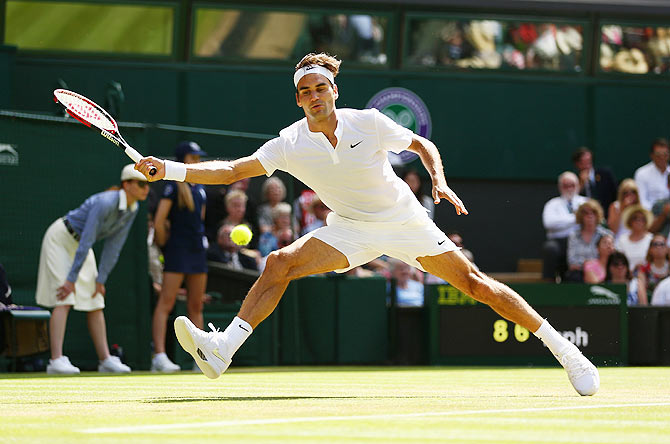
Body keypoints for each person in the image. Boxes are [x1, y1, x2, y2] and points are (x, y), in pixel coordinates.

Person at [136, 52, 599, 396]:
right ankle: (222, 351)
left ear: (334, 90)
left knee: (475, 284)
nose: (313, 96)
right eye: (305, 91)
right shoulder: (290, 143)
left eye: (320, 88)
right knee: (279, 262)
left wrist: (437, 180)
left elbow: (421, 145)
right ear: (298, 99)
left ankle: (566, 352)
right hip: (351, 228)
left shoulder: (369, 122)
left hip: (403, 220)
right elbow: (232, 172)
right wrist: (171, 170)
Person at [35, 164, 148, 374]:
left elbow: (114, 246)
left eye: (148, 184)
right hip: (60, 238)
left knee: (96, 299)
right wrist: (71, 279)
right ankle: (56, 360)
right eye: (141, 184)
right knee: (64, 296)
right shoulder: (105, 202)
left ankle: (105, 360)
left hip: (80, 246)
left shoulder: (133, 209)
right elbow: (88, 238)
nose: (146, 189)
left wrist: (101, 279)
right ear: (127, 184)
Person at [150, 141, 208, 373]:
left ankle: (200, 358)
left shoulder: (201, 188)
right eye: (193, 158)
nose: (198, 162)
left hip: (197, 251)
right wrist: (166, 244)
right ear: (184, 160)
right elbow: (159, 221)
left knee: (196, 305)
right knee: (166, 302)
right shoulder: (172, 187)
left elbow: (200, 220)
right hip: (177, 250)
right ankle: (159, 356)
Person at [542, 172, 588, 281]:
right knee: (550, 248)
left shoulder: (585, 202)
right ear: (560, 187)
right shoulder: (552, 204)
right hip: (559, 241)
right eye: (565, 185)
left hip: (581, 241)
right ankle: (549, 283)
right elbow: (549, 223)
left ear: (578, 186)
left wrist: (562, 222)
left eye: (572, 185)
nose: (569, 188)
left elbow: (589, 222)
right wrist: (576, 218)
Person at [565, 200, 613, 282]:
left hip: (601, 271)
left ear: (597, 215)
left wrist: (592, 265)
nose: (590, 216)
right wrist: (586, 265)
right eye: (586, 213)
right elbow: (572, 261)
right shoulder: (574, 235)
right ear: (581, 216)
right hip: (579, 272)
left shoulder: (606, 234)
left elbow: (610, 254)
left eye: (593, 213)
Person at [572, 147, 617, 213]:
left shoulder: (605, 174)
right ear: (577, 164)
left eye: (588, 161)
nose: (586, 165)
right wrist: (581, 184)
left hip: (606, 214)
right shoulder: (573, 179)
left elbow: (615, 195)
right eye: (583, 162)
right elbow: (572, 200)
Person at [634, 138, 670, 210]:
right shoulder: (641, 173)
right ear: (652, 155)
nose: (662, 157)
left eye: (665, 154)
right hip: (650, 216)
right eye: (658, 155)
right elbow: (641, 200)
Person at [615, 204, 654, 272]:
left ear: (646, 222)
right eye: (635, 218)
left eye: (642, 219)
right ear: (630, 221)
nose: (638, 221)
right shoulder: (622, 239)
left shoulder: (651, 239)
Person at [635, 234, 669, 306]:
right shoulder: (643, 269)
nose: (659, 247)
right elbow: (641, 290)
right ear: (650, 249)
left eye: (662, 244)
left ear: (667, 249)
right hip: (650, 307)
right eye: (655, 244)